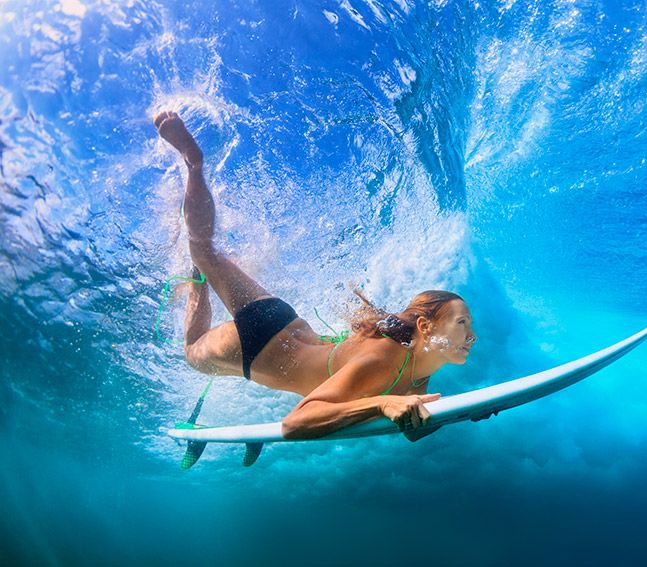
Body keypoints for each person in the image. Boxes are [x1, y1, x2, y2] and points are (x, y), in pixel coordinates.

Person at [153, 111, 477, 440]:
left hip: (282, 320)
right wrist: (381, 404)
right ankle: (197, 251)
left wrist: (472, 411)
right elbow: (296, 423)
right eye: (462, 323)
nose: (472, 335)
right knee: (192, 351)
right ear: (425, 326)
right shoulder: (386, 358)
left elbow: (412, 431)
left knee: (206, 252)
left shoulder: (420, 368)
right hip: (254, 348)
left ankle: (194, 178)